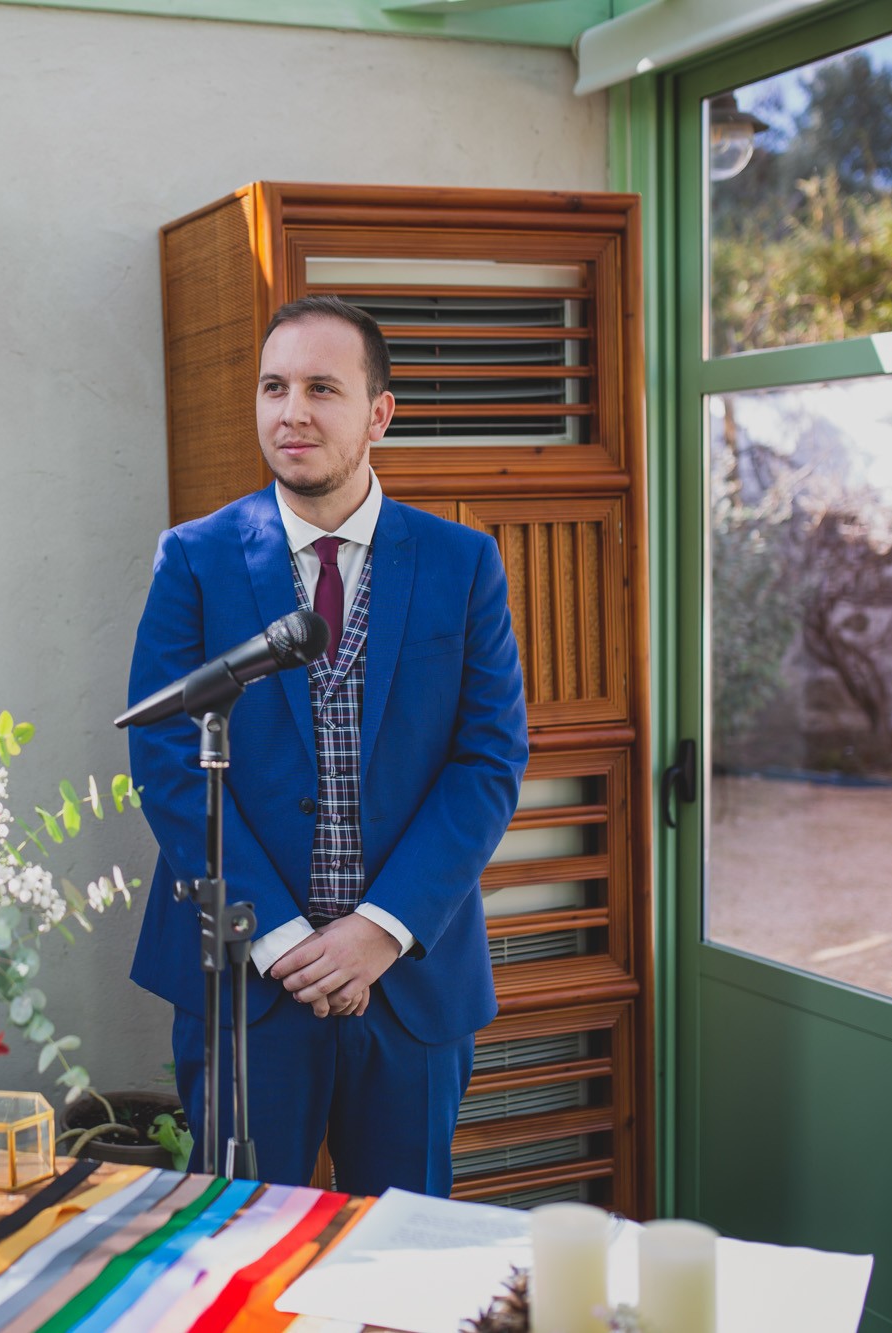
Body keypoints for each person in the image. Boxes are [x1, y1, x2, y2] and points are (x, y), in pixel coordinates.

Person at [126, 294, 529, 1196]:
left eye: (320, 387)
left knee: (403, 1248)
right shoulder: (195, 557)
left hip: (408, 982)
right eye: (273, 387)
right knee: (235, 1244)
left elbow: (489, 759)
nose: (290, 411)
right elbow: (166, 757)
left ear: (379, 412)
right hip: (249, 982)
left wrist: (380, 931)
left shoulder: (463, 564)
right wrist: (275, 935)